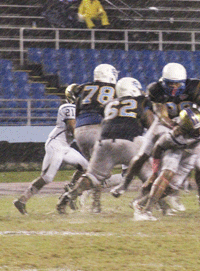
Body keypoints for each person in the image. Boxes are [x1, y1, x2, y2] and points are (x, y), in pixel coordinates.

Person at [110, 63, 200, 218]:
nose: (174, 87)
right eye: (170, 84)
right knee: (144, 154)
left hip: (191, 127)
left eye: (178, 83)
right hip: (164, 125)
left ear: (184, 81)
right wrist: (172, 124)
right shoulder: (155, 89)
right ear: (163, 81)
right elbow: (160, 111)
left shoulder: (194, 88)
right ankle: (126, 185)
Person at [56, 78, 156, 215]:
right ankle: (150, 205)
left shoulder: (109, 104)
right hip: (130, 141)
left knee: (92, 176)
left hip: (105, 141)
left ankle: (68, 197)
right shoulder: (141, 101)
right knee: (150, 176)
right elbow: (151, 127)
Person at [131, 106, 200, 221]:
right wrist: (154, 173)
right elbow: (157, 149)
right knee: (167, 173)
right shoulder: (173, 136)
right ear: (184, 129)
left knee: (173, 187)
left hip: (194, 150)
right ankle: (147, 211)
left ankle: (140, 203)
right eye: (195, 129)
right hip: (175, 149)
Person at [13, 86, 88, 215]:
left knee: (86, 168)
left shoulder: (80, 110)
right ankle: (22, 200)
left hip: (65, 146)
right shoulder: (68, 107)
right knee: (47, 178)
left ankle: (69, 192)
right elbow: (71, 127)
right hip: (56, 144)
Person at [64, 63, 119, 213]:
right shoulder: (114, 89)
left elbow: (77, 109)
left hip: (80, 130)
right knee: (100, 172)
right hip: (98, 128)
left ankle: (71, 189)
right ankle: (94, 203)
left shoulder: (83, 88)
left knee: (90, 167)